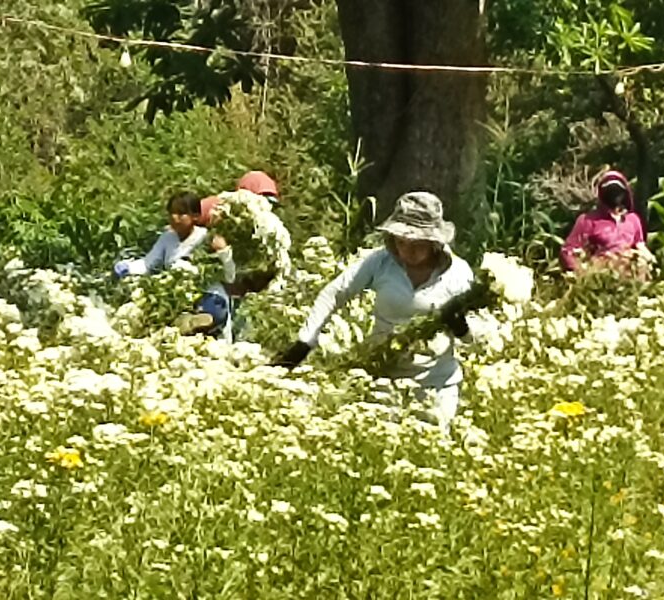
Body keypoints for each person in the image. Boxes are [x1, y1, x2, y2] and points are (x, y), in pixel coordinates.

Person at [274, 192, 474, 431]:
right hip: (385, 376)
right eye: (401, 242)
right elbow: (336, 292)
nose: (407, 251)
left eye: (417, 245)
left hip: (436, 384)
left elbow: (480, 335)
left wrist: (462, 329)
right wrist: (305, 342)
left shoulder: (457, 274)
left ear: (434, 243)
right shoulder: (381, 262)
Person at [560, 170, 650, 276]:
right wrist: (582, 273)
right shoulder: (587, 220)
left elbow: (640, 246)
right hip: (601, 276)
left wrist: (649, 260)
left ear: (624, 194)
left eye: (617, 191)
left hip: (629, 277)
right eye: (610, 192)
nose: (614, 195)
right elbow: (568, 251)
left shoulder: (633, 220)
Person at [114, 192, 208, 278]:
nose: (174, 217)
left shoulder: (204, 237)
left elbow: (207, 270)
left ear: (196, 216)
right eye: (171, 212)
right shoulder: (167, 237)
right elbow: (148, 263)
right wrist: (129, 267)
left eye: (181, 213)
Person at [195, 170, 281, 228]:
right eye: (263, 199)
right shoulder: (216, 205)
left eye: (271, 203)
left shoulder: (260, 228)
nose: (267, 206)